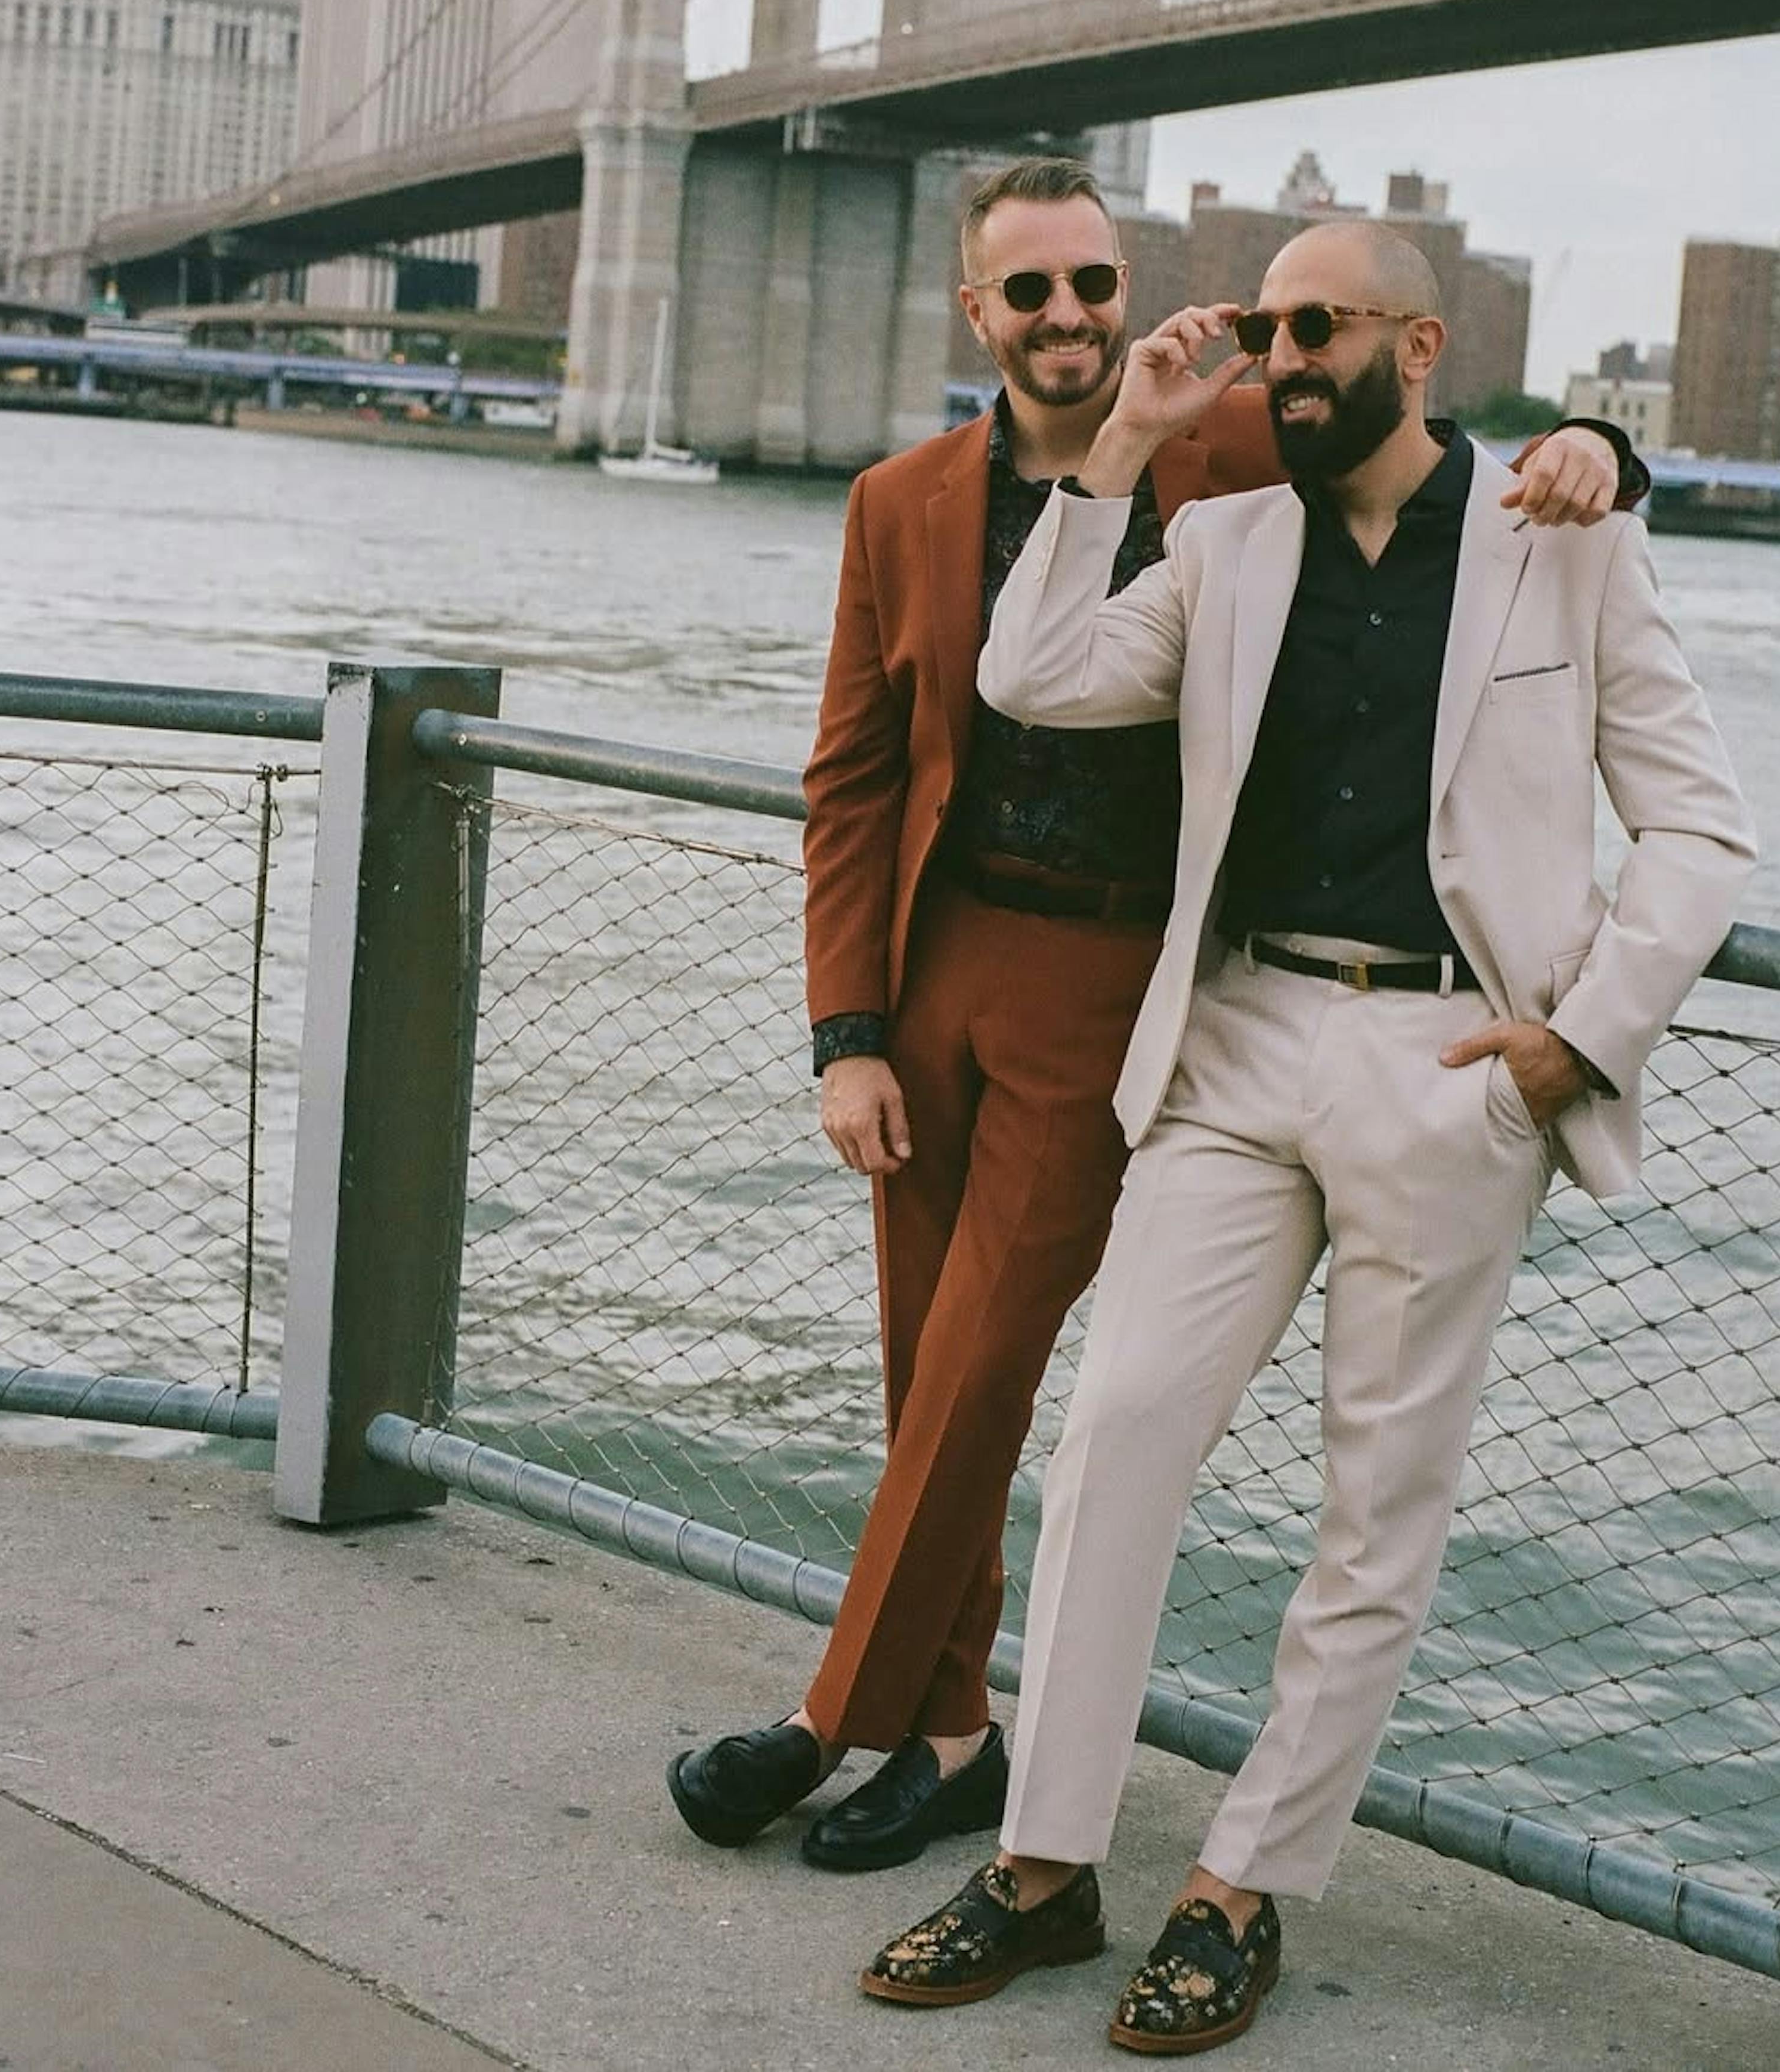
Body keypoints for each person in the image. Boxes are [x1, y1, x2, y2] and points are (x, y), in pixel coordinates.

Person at [666, 162, 1639, 1880]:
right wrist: (848, 1030)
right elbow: (854, 781)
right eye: (1031, 290)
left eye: (1094, 283)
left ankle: (832, 1718)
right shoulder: (896, 500)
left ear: (1127, 290)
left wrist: (1609, 447)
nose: (1070, 316)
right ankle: (952, 1736)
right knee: (925, 1370)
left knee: (988, 1364)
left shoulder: (1239, 440)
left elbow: (1442, 472)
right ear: (978, 312)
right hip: (940, 965)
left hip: (1121, 972)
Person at [859, 216, 1754, 2053]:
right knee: (1113, 1432)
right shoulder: (1222, 542)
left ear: (1417, 344)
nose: (1280, 359)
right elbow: (1033, 674)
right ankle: (1044, 1862)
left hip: (1451, 1060)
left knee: (1374, 1509)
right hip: (1239, 1041)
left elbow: (1701, 826)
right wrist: (1124, 444)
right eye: (1264, 331)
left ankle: (1242, 1884)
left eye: (1316, 327)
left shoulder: (1567, 539)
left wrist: (1576, 1042)